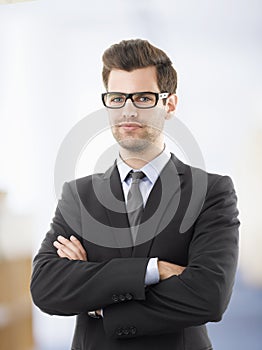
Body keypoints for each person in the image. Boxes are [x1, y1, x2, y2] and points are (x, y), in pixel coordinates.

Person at [30, 39, 240, 350]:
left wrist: (99, 303)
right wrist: (155, 270)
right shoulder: (79, 195)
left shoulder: (211, 192)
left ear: (169, 105)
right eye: (117, 98)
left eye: (142, 98)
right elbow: (47, 287)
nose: (128, 111)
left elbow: (209, 296)